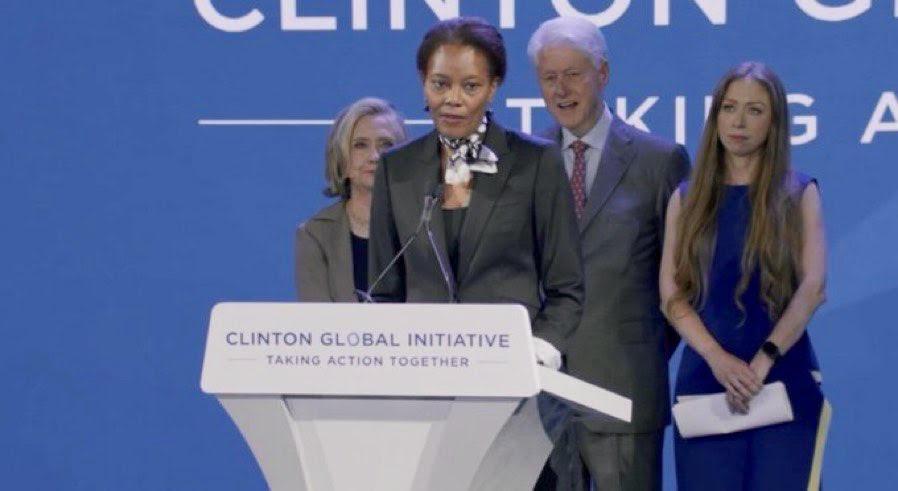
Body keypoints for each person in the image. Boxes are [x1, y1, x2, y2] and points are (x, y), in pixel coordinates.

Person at [368, 17, 583, 377]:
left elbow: (567, 287)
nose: (452, 99)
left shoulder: (535, 162)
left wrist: (539, 350)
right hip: (421, 376)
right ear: (423, 82)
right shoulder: (396, 169)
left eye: (470, 86)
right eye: (440, 84)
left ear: (493, 87)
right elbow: (383, 290)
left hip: (511, 374)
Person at [527, 16, 691, 491]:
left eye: (573, 74)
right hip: (540, 401)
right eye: (548, 78)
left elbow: (683, 282)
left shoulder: (660, 160)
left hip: (625, 388)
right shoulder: (522, 161)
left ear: (603, 74)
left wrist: (634, 351)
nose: (561, 89)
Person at [659, 62, 830, 489]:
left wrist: (763, 360)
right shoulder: (686, 198)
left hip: (783, 384)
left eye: (754, 110)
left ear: (774, 123)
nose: (738, 121)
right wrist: (717, 359)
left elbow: (813, 288)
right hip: (705, 383)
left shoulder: (799, 192)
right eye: (729, 108)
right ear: (715, 116)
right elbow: (671, 293)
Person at [294, 97, 407, 301]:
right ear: (342, 160)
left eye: (386, 144)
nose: (374, 156)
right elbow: (315, 324)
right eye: (360, 145)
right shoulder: (316, 235)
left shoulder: (426, 228)